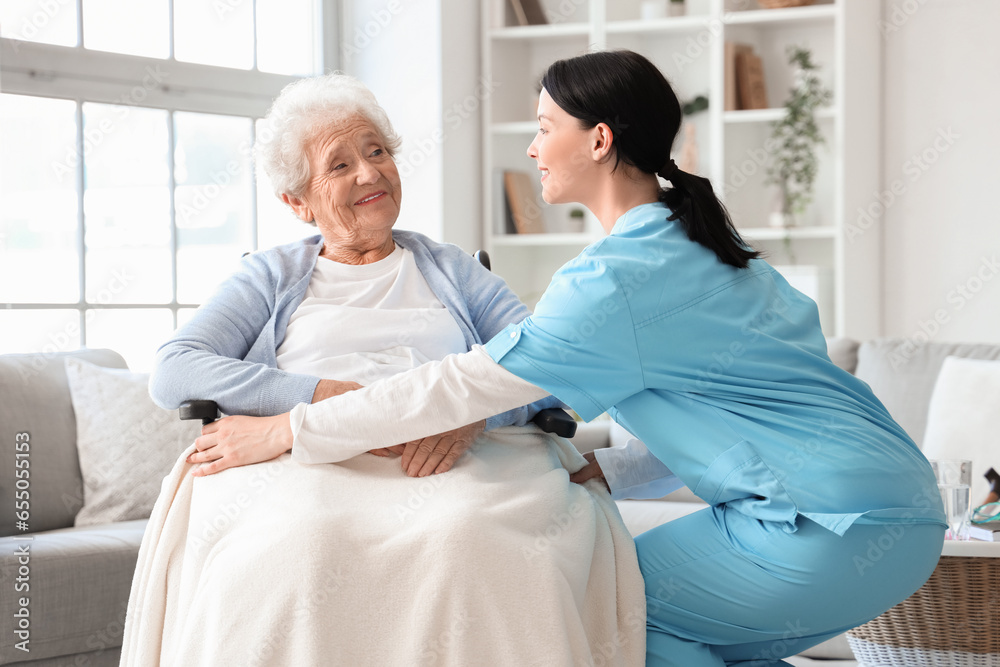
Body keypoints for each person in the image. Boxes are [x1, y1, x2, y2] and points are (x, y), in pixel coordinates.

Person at [192, 51, 948, 667]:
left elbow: (466, 381)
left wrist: (292, 427)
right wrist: (610, 470)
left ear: (599, 140)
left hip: (826, 523)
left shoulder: (614, 279)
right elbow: (733, 411)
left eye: (544, 124)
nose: (530, 146)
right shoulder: (706, 248)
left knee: (589, 604)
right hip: (892, 510)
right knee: (668, 629)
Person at [119, 72, 646, 666]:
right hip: (311, 463)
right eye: (339, 166)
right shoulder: (268, 276)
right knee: (298, 549)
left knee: (466, 538)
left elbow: (544, 362)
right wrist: (332, 399)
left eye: (378, 153)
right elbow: (175, 370)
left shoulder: (453, 269)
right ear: (297, 202)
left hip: (451, 459)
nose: (370, 173)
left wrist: (464, 414)